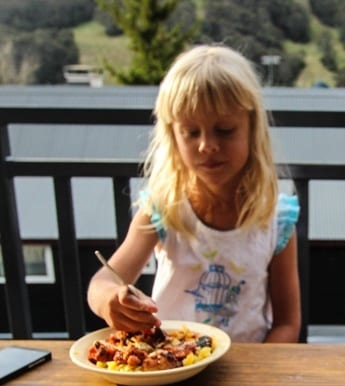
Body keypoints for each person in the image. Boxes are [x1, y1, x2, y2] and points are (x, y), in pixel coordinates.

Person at [87, 44, 301, 343]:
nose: (207, 145)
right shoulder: (162, 208)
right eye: (191, 132)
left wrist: (260, 373)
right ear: (173, 136)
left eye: (225, 130)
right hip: (173, 367)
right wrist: (110, 299)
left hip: (249, 374)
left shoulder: (277, 220)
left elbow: (287, 323)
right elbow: (104, 279)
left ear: (252, 130)